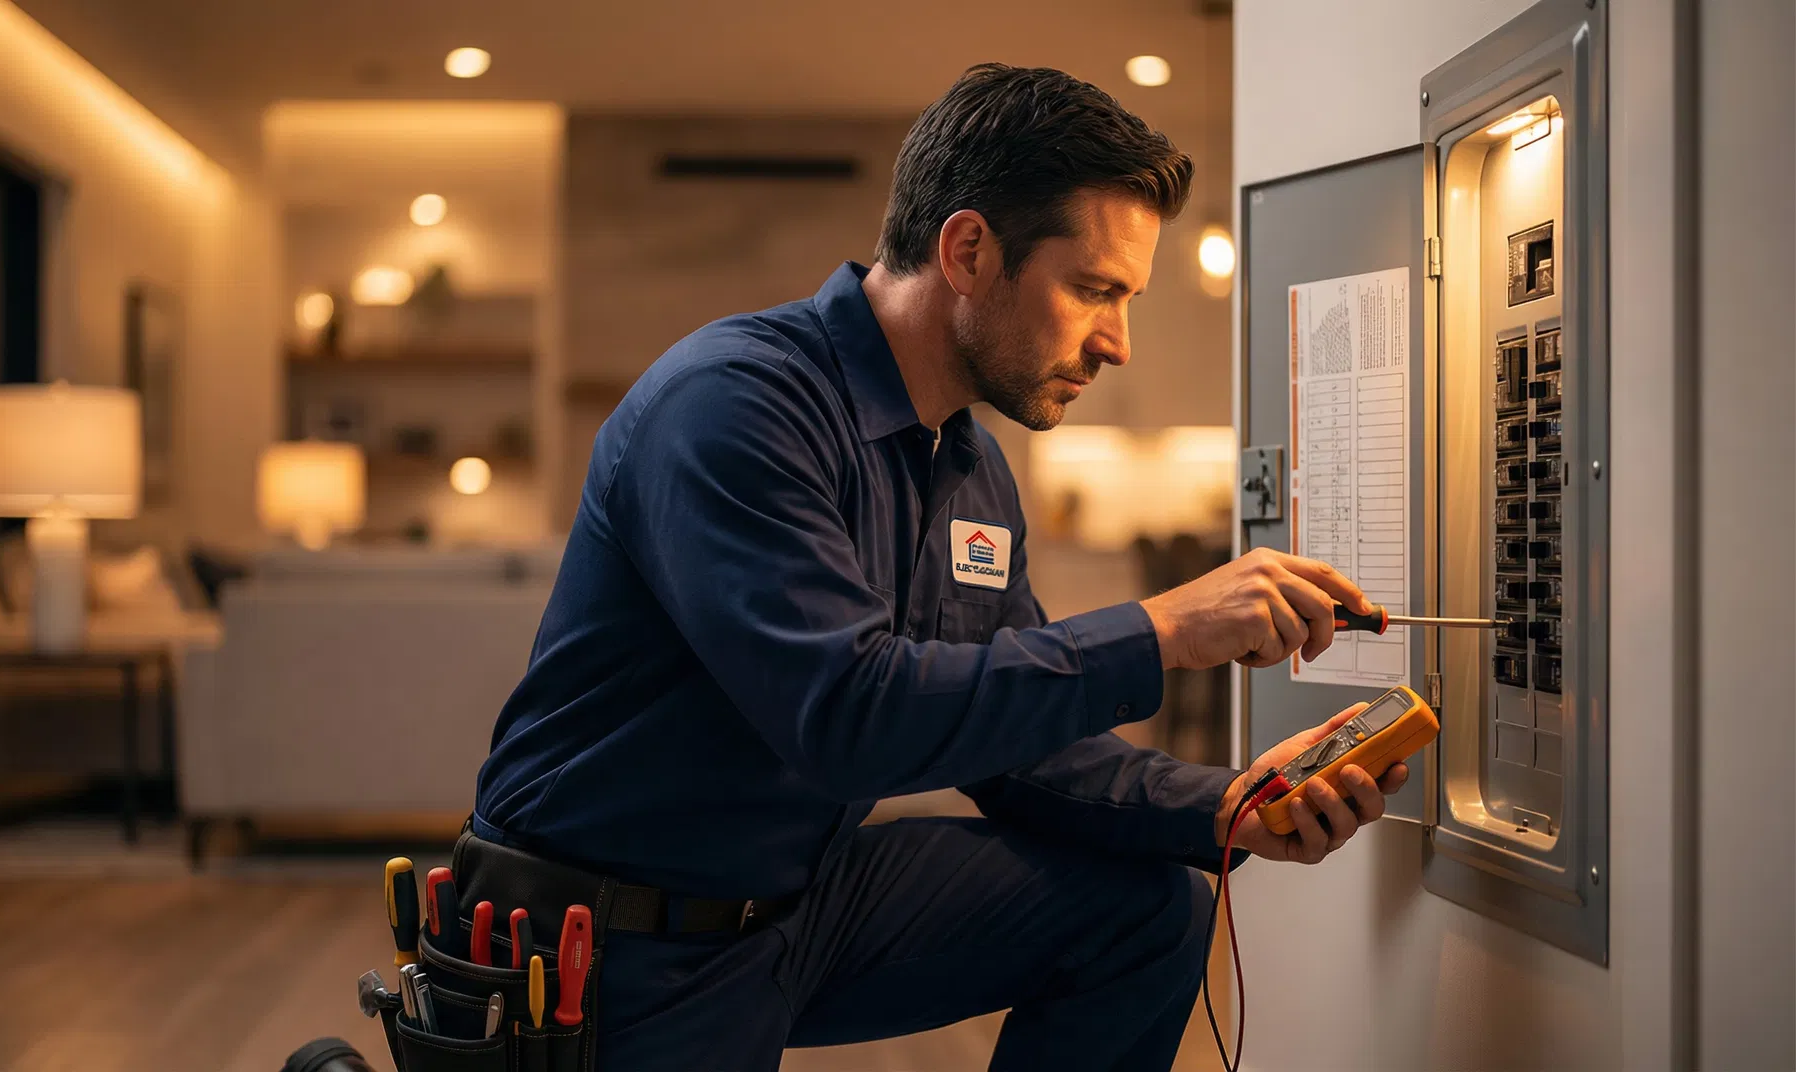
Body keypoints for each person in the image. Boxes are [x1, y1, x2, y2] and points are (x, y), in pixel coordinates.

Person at [465, 63, 1407, 1070]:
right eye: (1093, 290)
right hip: (608, 942)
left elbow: (1019, 749)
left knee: (1147, 912)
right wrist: (1162, 629)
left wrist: (1228, 807)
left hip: (796, 906)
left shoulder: (971, 466)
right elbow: (848, 717)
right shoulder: (733, 405)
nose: (1118, 343)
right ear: (967, 252)